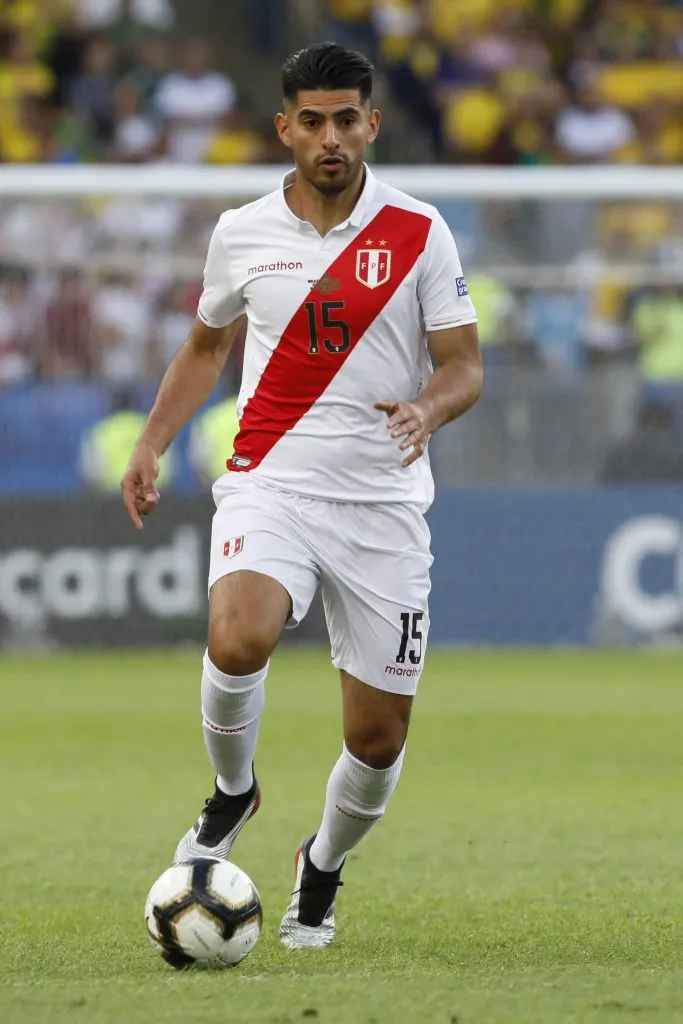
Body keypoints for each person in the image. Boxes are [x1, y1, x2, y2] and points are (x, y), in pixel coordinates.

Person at [121, 42, 482, 950]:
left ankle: (319, 864)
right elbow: (206, 349)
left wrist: (428, 410)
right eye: (312, 121)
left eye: (346, 120)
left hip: (381, 506)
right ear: (284, 127)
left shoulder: (417, 231)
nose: (330, 138)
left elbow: (464, 365)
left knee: (376, 742)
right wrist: (150, 443)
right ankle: (233, 791)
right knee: (237, 634)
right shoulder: (241, 231)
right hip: (267, 482)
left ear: (372, 123)